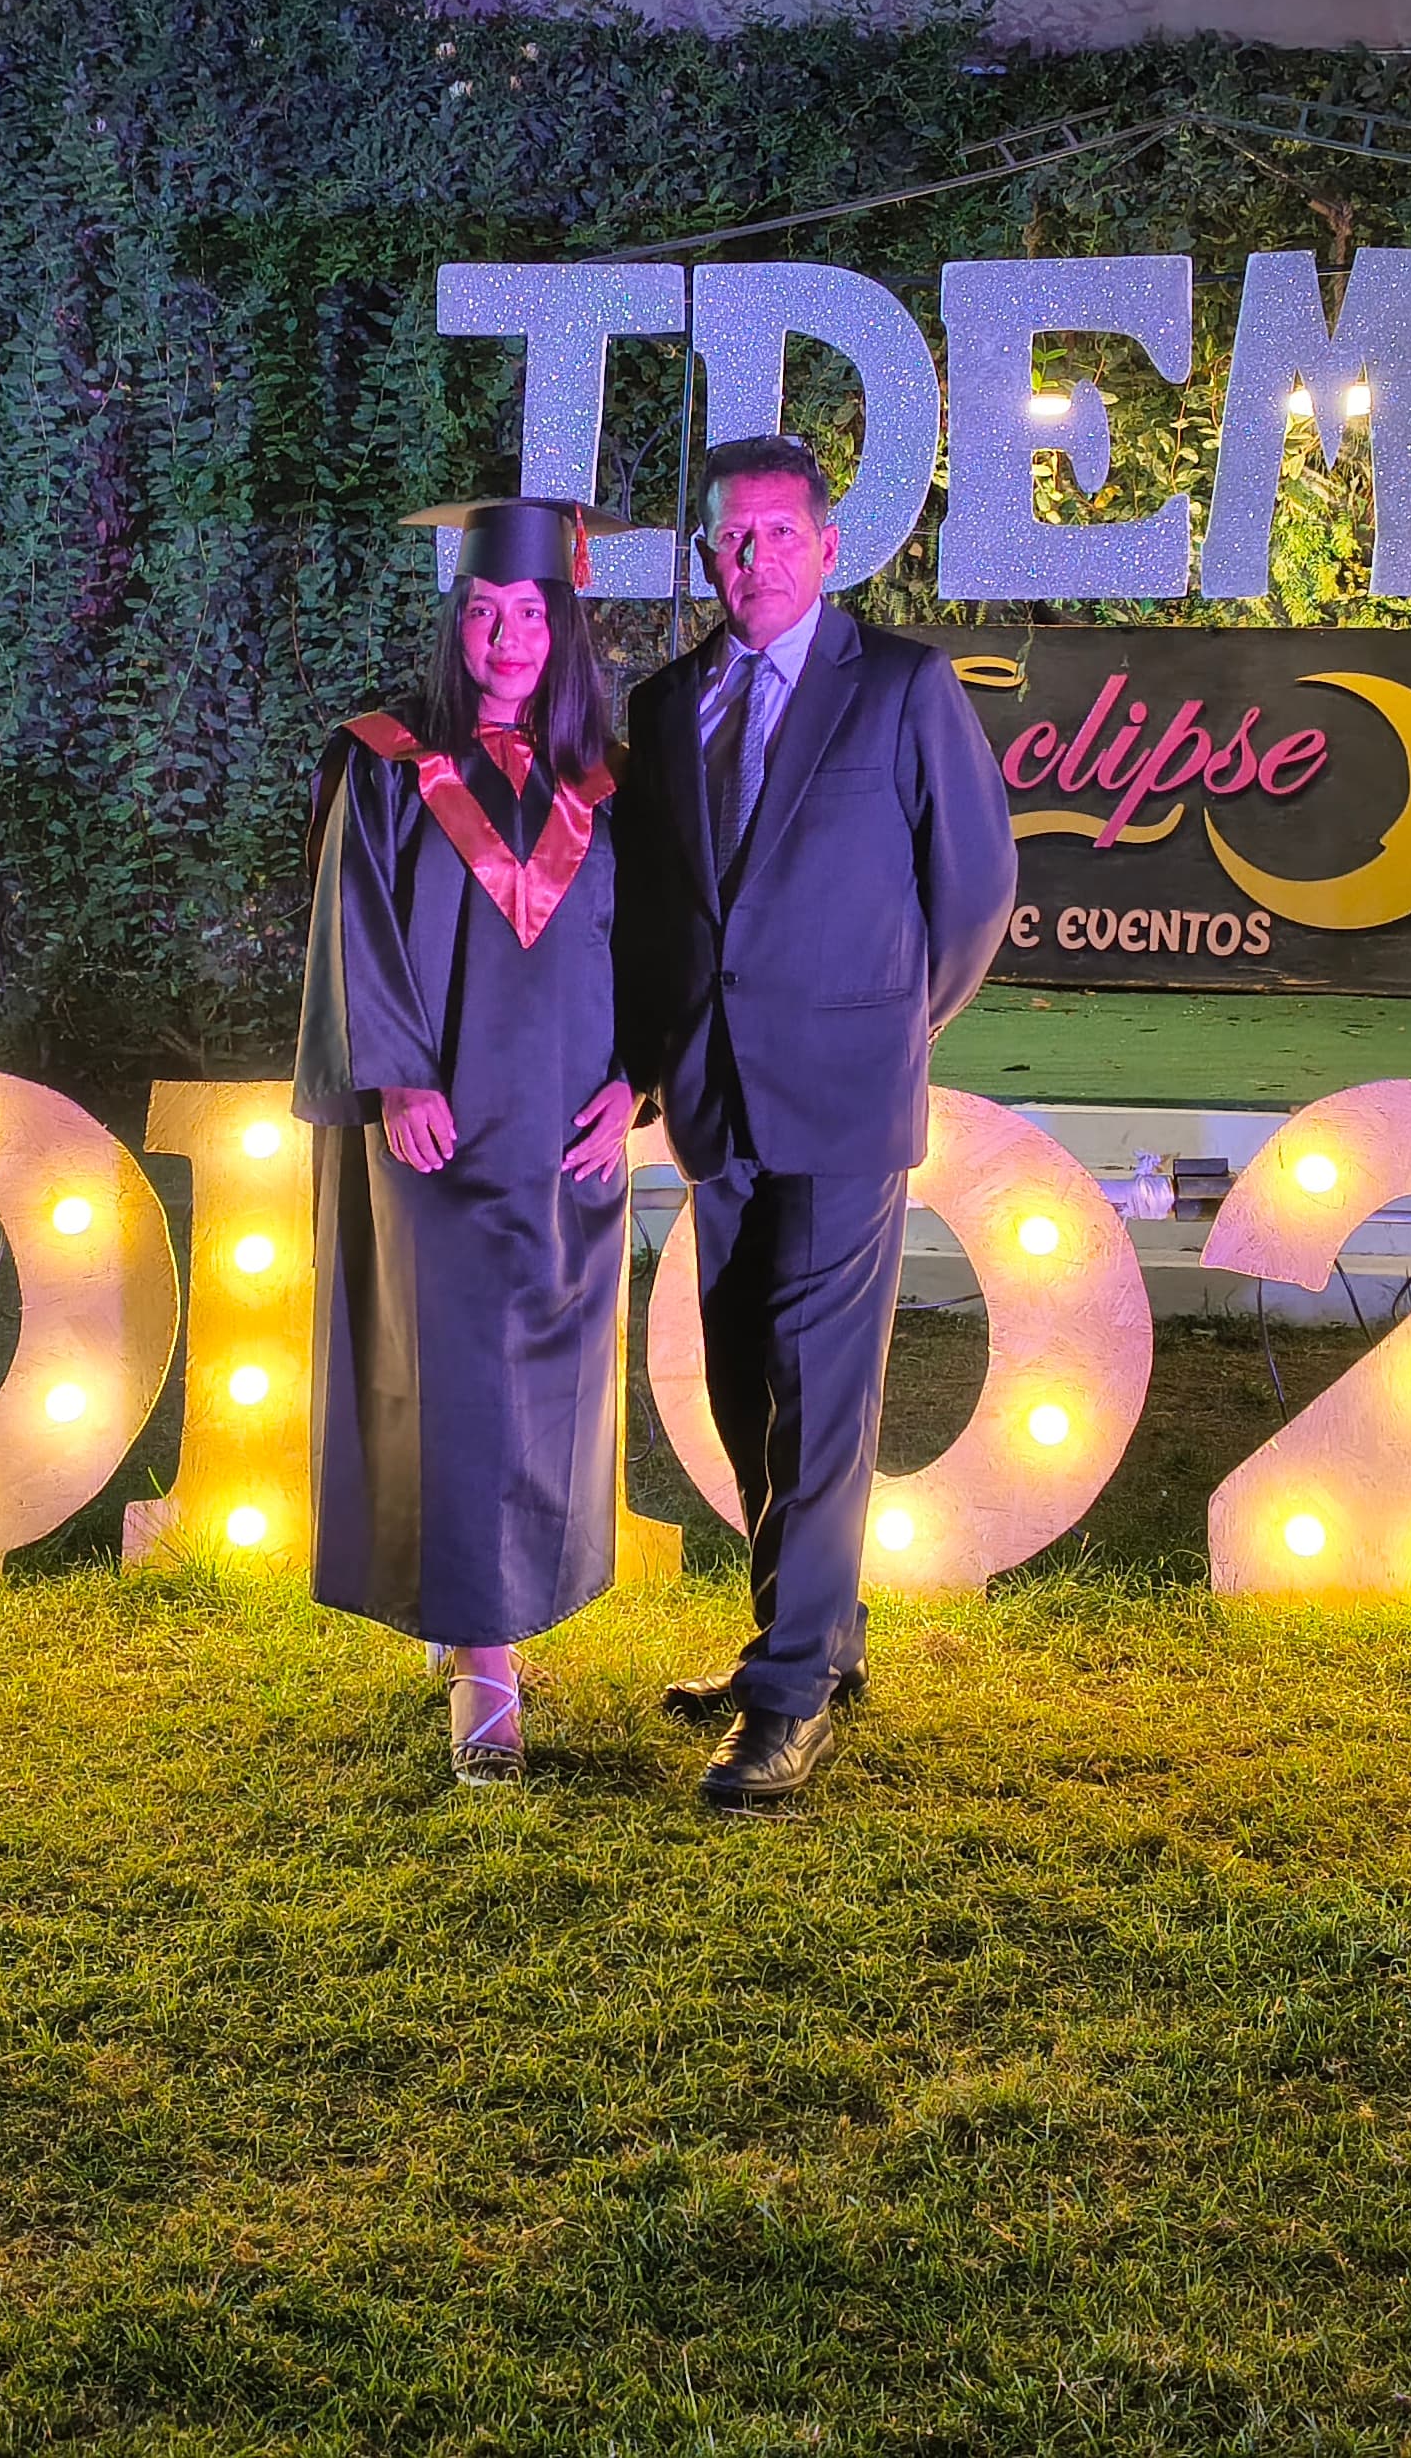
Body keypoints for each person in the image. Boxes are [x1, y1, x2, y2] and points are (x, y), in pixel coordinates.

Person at [619, 435, 1016, 1811]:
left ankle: (787, 1696)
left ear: (831, 548)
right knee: (742, 1382)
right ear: (705, 555)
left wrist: (889, 1024)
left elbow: (973, 890)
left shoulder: (900, 686)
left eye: (782, 533)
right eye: (734, 537)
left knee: (822, 1392)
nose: (758, 557)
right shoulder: (667, 704)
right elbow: (658, 913)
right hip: (713, 1095)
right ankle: (811, 1639)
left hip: (846, 1094)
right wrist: (651, 1062)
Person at [293, 496, 643, 1784]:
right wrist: (394, 1080)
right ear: (458, 623)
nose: (508, 637)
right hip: (438, 1122)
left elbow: (653, 945)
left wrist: (638, 1082)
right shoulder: (389, 764)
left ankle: (494, 1613)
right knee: (451, 1377)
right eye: (486, 612)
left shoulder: (608, 784)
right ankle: (484, 1660)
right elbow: (355, 924)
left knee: (546, 1380)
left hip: (564, 1120)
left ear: (565, 627)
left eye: (532, 613)